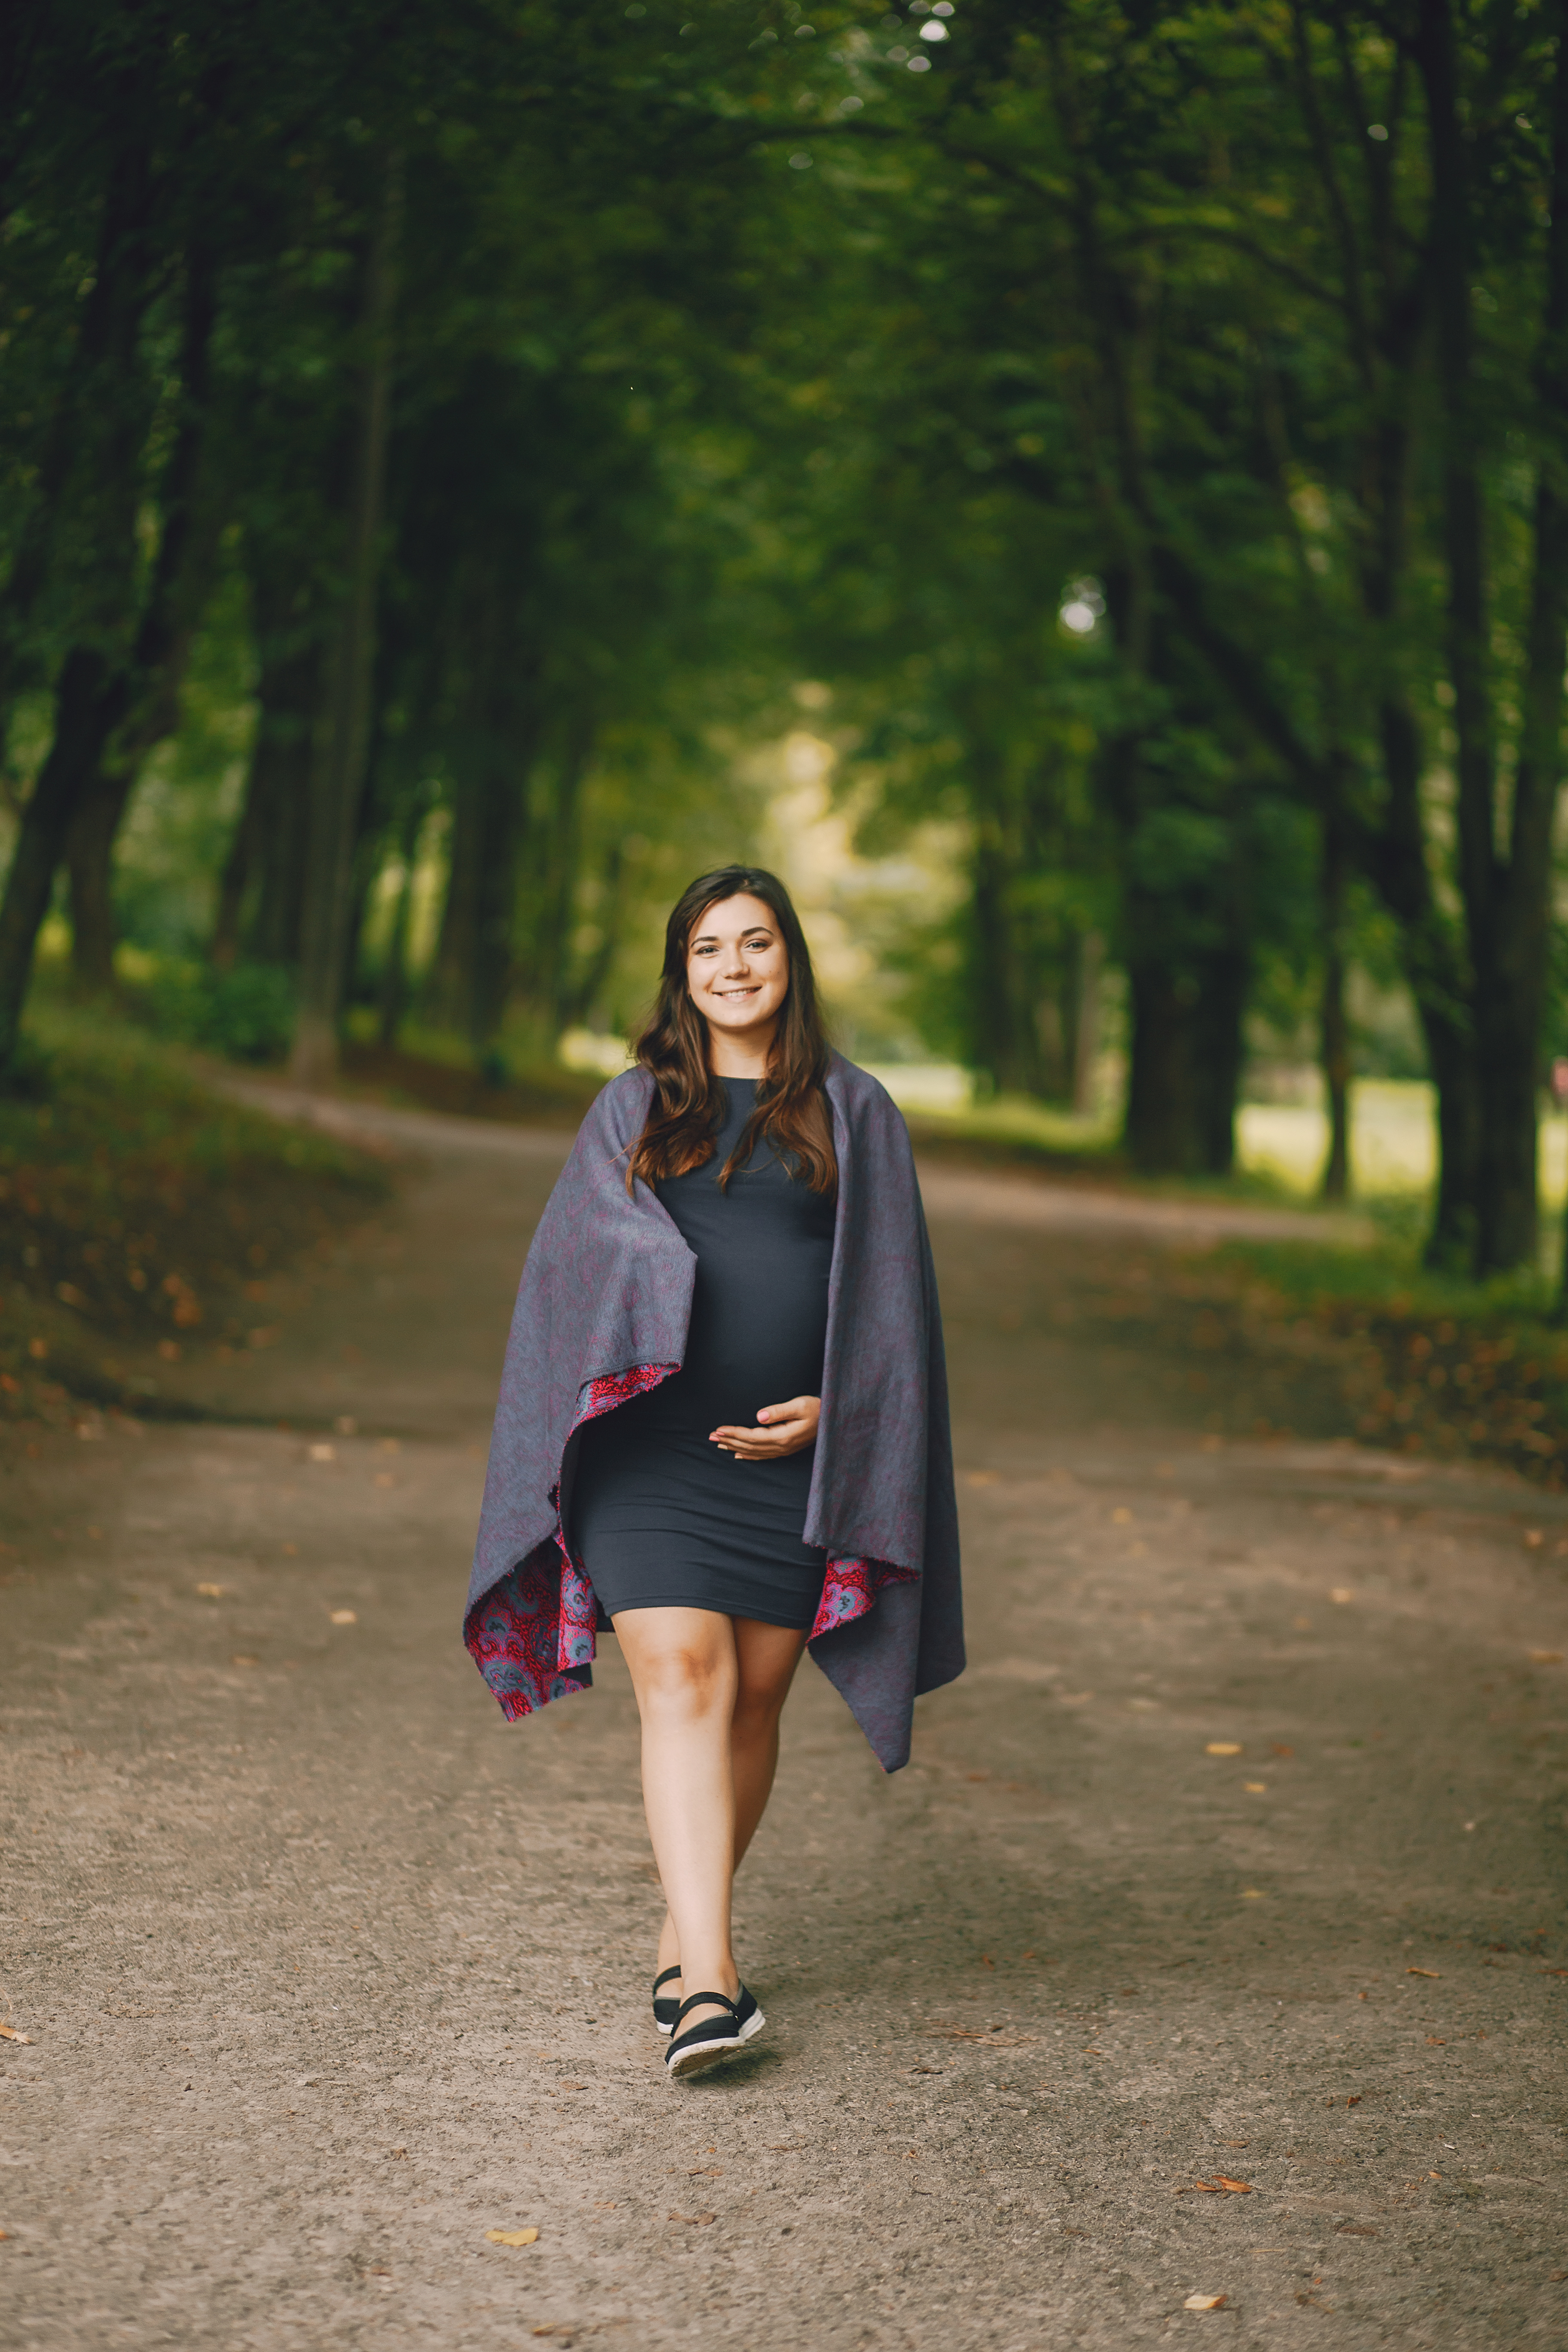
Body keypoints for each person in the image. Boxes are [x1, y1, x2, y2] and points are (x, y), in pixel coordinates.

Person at [464, 865, 963, 2078]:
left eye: (756, 944)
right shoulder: (632, 1109)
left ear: (791, 960)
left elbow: (895, 1305)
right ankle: (712, 1988)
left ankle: (684, 1928)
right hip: (652, 1452)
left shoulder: (857, 1113)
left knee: (754, 1699)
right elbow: (572, 1270)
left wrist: (841, 1415)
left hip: (798, 1464)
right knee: (682, 1675)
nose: (734, 967)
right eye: (707, 949)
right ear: (679, 973)